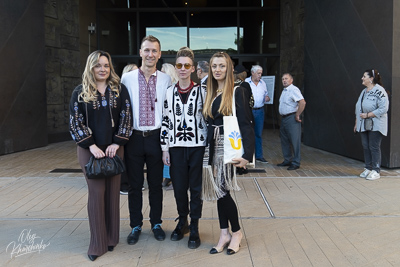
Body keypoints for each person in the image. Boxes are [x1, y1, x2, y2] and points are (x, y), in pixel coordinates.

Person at [69, 50, 133, 261]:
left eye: (106, 65)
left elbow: (126, 117)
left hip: (115, 149)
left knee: (113, 194)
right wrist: (91, 145)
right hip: (90, 151)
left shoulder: (119, 90)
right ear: (91, 67)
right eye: (98, 65)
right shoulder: (79, 92)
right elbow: (75, 122)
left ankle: (111, 238)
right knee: (97, 193)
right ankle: (97, 243)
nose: (103, 69)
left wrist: (117, 142)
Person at [121, 35, 171, 245]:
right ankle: (135, 225)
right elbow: (122, 111)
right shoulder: (128, 78)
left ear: (159, 55)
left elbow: (168, 113)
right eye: (147, 50)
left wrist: (166, 144)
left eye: (154, 51)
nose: (150, 54)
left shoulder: (167, 79)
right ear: (140, 53)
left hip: (156, 137)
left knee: (156, 185)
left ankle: (157, 223)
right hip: (134, 137)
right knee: (134, 185)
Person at [203, 52, 254, 255]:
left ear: (229, 68)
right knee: (219, 192)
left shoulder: (237, 91)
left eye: (222, 66)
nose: (217, 69)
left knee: (223, 191)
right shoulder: (212, 92)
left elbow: (246, 124)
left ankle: (237, 232)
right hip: (212, 147)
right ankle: (224, 233)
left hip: (227, 146)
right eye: (214, 66)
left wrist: (247, 155)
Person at [161, 47, 207, 249]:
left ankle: (195, 226)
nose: (182, 68)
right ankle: (183, 221)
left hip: (197, 147)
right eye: (179, 65)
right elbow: (165, 121)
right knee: (179, 188)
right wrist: (165, 148)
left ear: (193, 68)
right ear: (175, 67)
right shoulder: (169, 92)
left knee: (195, 189)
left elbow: (209, 120)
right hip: (176, 147)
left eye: (186, 65)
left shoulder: (203, 92)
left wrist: (208, 150)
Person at [354, 69, 389, 180]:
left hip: (376, 123)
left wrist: (368, 114)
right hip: (363, 123)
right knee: (365, 146)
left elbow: (384, 108)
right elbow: (358, 108)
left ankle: (376, 170)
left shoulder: (380, 90)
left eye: (364, 76)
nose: (362, 78)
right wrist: (356, 122)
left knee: (374, 146)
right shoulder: (364, 91)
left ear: (371, 78)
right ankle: (368, 168)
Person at [277, 73, 306, 171]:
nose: (284, 80)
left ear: (291, 80)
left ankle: (296, 162)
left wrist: (298, 114)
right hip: (284, 118)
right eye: (282, 79)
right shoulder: (284, 91)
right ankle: (287, 160)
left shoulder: (293, 89)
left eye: (286, 79)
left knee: (294, 141)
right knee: (284, 140)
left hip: (292, 118)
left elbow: (302, 102)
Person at [120, 63, 139, 195]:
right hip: (126, 129)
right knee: (125, 158)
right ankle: (124, 184)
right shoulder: (123, 88)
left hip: (137, 129)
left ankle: (134, 182)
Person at [245, 65, 270, 163]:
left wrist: (267, 97)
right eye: (259, 73)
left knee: (258, 134)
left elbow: (266, 94)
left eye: (261, 73)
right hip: (249, 111)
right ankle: (248, 156)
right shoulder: (246, 82)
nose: (260, 75)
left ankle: (259, 155)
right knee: (248, 133)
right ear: (252, 73)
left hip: (260, 111)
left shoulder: (263, 83)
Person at [234, 64, 254, 175]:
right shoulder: (244, 85)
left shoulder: (241, 85)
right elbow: (250, 101)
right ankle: (241, 166)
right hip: (244, 114)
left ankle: (242, 166)